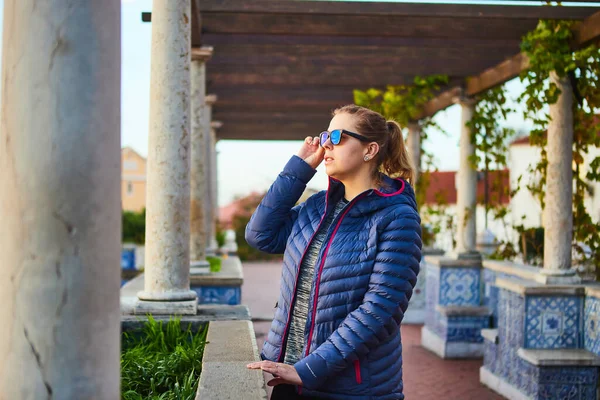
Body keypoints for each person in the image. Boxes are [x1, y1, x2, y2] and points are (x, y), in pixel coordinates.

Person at [245, 105, 422, 399]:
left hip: (350, 388)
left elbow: (379, 310)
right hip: (289, 375)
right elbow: (260, 235)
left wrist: (309, 370)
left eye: (337, 136)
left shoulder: (397, 217)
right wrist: (299, 169)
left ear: (370, 150)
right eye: (326, 134)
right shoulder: (317, 207)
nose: (326, 143)